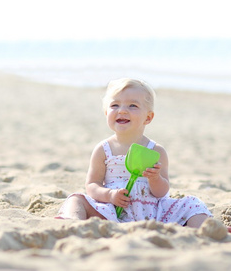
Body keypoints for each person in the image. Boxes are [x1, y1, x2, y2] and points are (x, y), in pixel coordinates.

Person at [56, 78, 216, 228]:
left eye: (132, 105)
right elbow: (92, 185)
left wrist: (155, 179)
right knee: (76, 199)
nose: (122, 111)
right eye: (115, 105)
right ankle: (71, 223)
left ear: (148, 117)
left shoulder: (156, 151)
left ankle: (207, 228)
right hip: (113, 211)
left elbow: (162, 192)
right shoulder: (103, 149)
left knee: (192, 203)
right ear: (106, 113)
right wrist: (109, 195)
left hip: (153, 213)